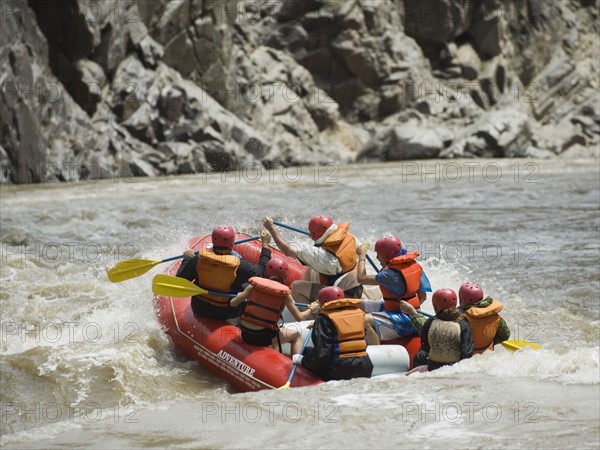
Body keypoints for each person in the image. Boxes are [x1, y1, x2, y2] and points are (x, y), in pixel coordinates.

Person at [176, 226, 272, 320]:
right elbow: (262, 272)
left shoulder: (198, 260)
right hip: (226, 312)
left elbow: (180, 280)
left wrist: (188, 259)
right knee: (249, 286)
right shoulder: (240, 266)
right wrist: (265, 244)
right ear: (232, 243)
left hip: (199, 308)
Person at [263, 216, 362, 303]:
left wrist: (271, 228)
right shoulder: (349, 237)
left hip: (339, 295)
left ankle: (310, 317)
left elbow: (287, 250)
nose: (310, 236)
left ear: (314, 235)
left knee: (296, 286)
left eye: (312, 234)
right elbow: (360, 251)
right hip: (355, 288)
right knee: (311, 269)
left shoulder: (319, 255)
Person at [229, 258, 318, 355]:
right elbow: (299, 317)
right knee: (296, 336)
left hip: (245, 332)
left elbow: (232, 303)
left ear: (267, 273)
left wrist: (240, 296)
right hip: (262, 336)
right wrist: (311, 309)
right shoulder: (285, 294)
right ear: (285, 276)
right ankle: (296, 364)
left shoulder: (253, 286)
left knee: (274, 330)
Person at [356, 236, 432, 339]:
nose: (377, 258)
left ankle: (375, 351)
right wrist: (407, 307)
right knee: (356, 304)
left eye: (378, 254)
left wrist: (361, 256)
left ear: (387, 255)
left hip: (405, 322)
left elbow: (361, 278)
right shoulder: (414, 266)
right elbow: (422, 297)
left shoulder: (389, 275)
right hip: (410, 314)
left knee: (365, 320)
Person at [293, 286, 374, 381]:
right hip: (364, 366)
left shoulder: (323, 318)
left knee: (305, 351)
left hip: (340, 369)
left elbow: (322, 355)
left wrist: (303, 361)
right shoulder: (357, 313)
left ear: (323, 302)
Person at [400, 288, 473, 371]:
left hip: (433, 366)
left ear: (435, 306)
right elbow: (467, 352)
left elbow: (425, 347)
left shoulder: (430, 322)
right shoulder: (463, 324)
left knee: (420, 355)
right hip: (454, 367)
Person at [458, 281, 510, 354]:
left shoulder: (459, 318)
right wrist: (491, 342)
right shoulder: (496, 317)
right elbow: (505, 336)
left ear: (461, 300)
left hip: (467, 357)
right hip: (487, 352)